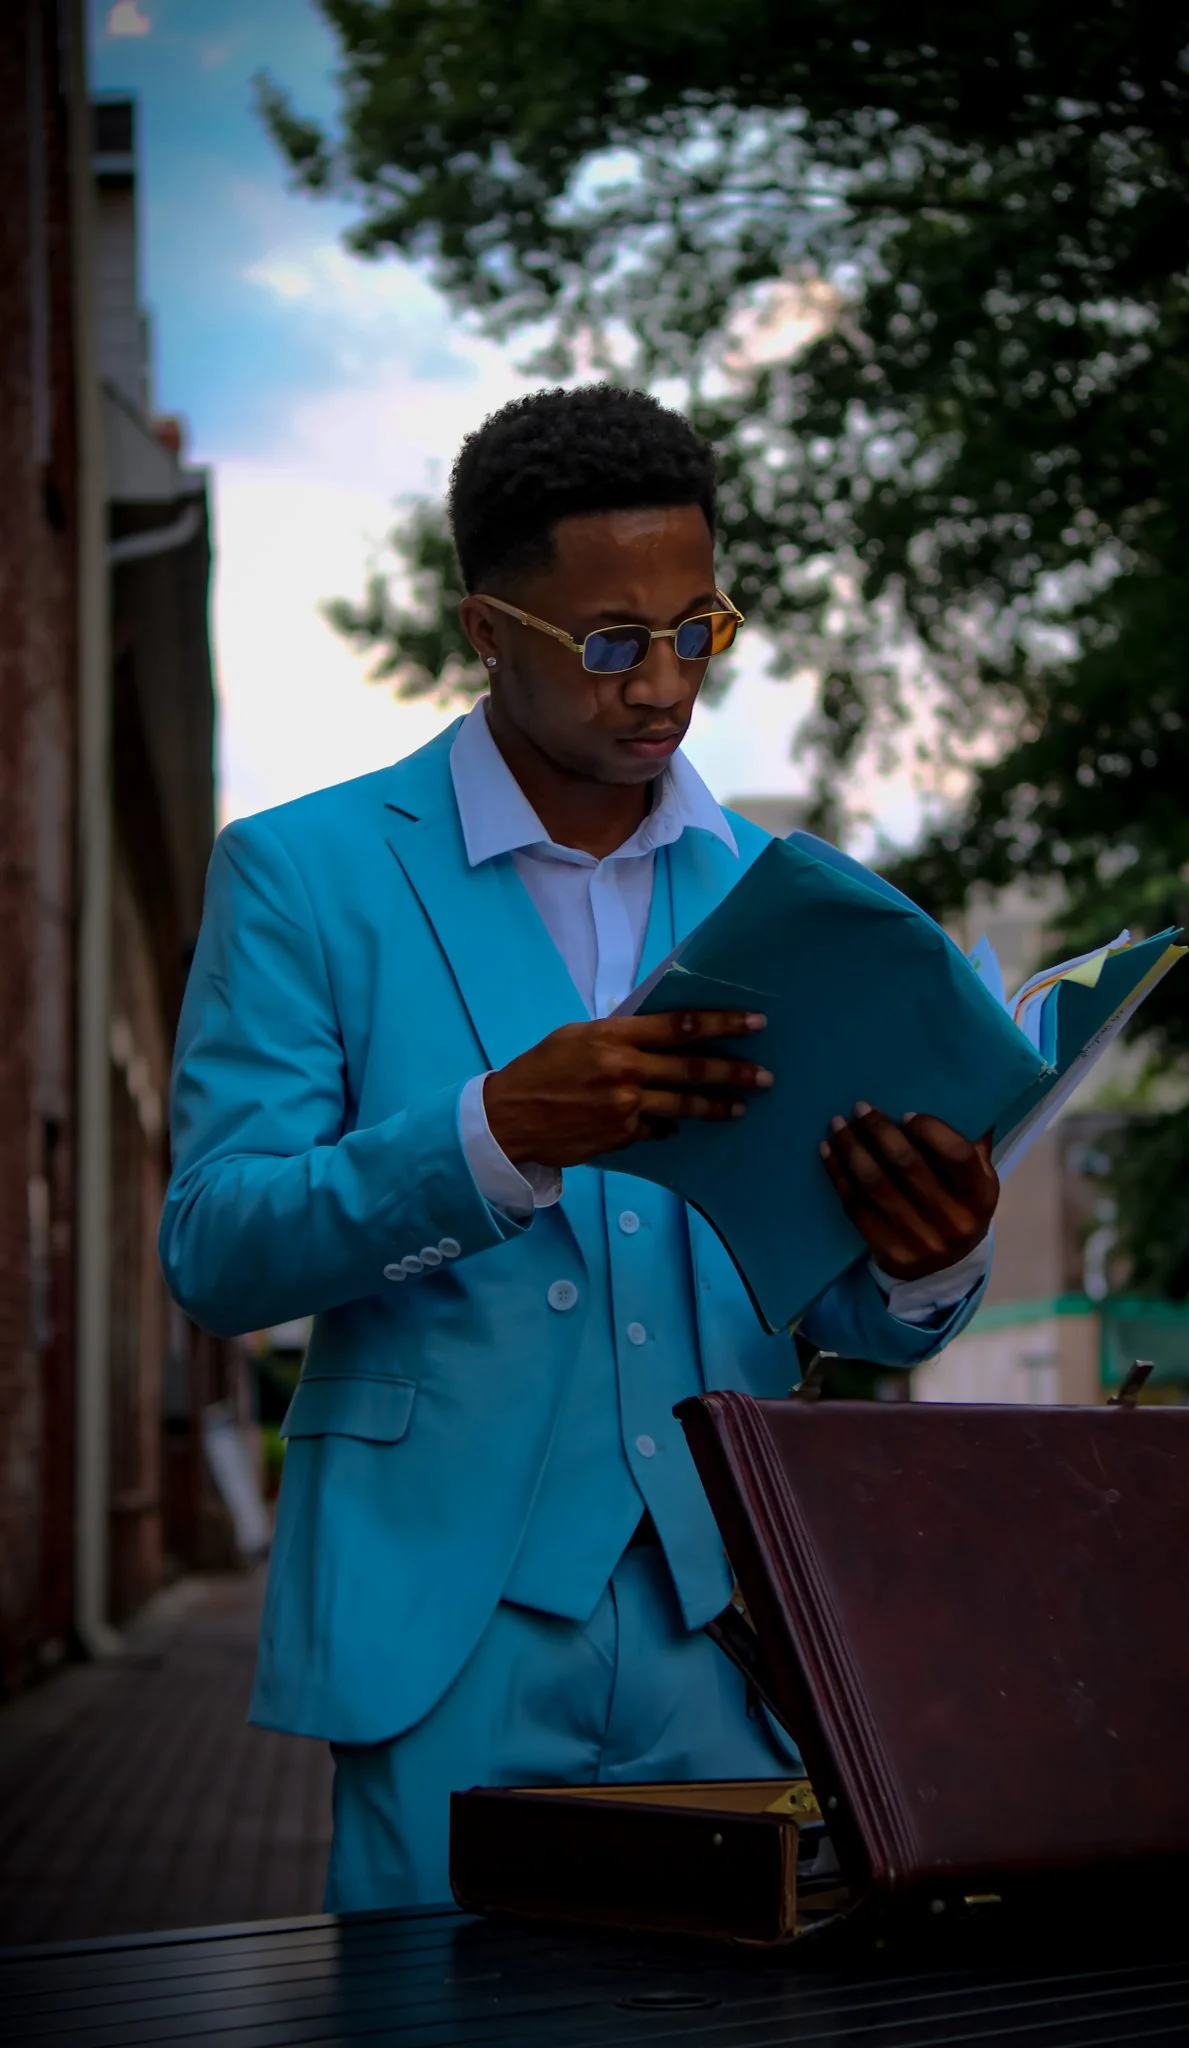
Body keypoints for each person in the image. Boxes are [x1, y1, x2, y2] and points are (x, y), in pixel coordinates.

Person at [160, 385, 998, 1914]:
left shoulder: (785, 901)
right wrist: (489, 1135)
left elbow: (834, 1302)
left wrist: (928, 1263)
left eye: (701, 629)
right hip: (443, 1623)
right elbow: (216, 1247)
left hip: (731, 1618)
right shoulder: (303, 875)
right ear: (487, 629)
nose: (665, 681)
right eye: (613, 641)